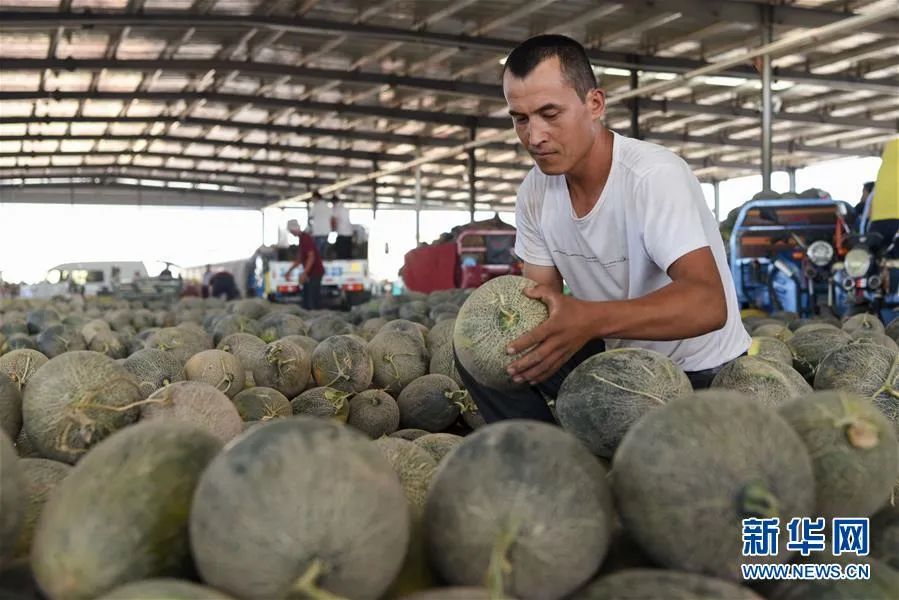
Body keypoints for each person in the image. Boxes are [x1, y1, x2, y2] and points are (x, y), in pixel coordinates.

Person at [453, 34, 751, 424]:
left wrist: (590, 319)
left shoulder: (653, 177)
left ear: (594, 104)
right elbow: (536, 305)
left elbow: (709, 305)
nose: (535, 136)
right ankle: (548, 459)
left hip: (697, 373)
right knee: (483, 353)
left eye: (550, 113)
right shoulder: (535, 192)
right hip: (615, 361)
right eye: (520, 119)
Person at [285, 219, 324, 310]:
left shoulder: (306, 238)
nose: (291, 233)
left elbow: (311, 257)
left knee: (312, 300)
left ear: (294, 229)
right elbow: (299, 259)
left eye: (291, 231)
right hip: (310, 273)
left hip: (315, 272)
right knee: (305, 298)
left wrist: (305, 273)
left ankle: (314, 317)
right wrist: (289, 271)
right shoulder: (301, 239)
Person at [309, 191, 332, 256]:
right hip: (326, 231)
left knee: (316, 252)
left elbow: (310, 217)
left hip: (317, 232)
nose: (312, 200)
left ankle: (317, 264)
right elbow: (331, 218)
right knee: (324, 251)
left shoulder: (315, 206)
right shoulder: (327, 206)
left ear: (315, 197)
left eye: (312, 198)